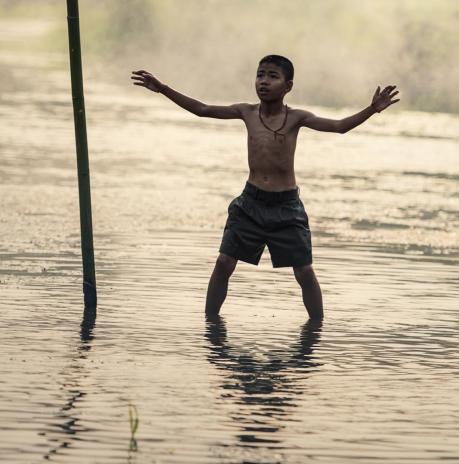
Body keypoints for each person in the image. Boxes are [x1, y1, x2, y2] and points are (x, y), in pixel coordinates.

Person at [132, 55, 398, 320]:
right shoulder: (246, 112)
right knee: (224, 262)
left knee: (304, 271)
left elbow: (339, 127)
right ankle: (209, 325)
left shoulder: (296, 118)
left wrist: (372, 109)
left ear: (288, 86)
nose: (264, 81)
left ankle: (317, 329)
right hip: (250, 203)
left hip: (287, 208)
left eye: (273, 76)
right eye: (260, 75)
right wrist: (163, 89)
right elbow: (202, 109)